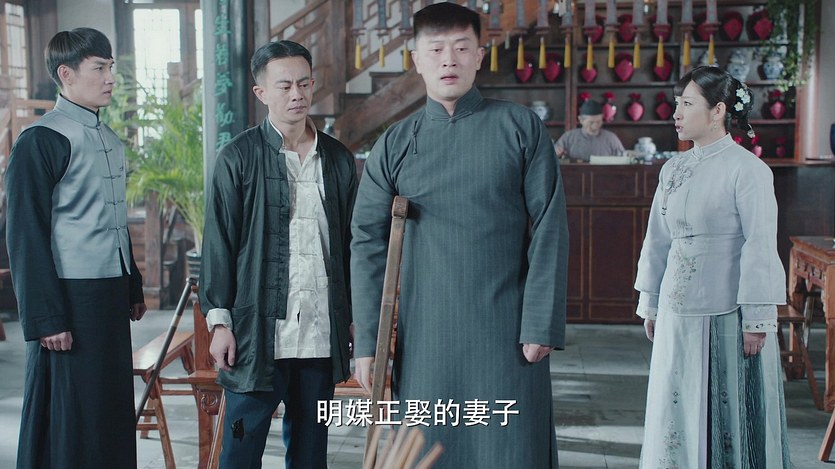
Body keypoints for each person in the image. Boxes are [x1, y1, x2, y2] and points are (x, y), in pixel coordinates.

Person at [351, 3, 568, 468]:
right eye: (436, 50)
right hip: (426, 335)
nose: (448, 60)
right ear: (417, 60)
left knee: (510, 451)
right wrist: (369, 342)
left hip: (507, 331)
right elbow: (367, 241)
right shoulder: (395, 143)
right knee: (429, 452)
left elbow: (549, 225)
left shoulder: (520, 128)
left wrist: (541, 323)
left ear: (479, 56)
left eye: (461, 48)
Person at [199, 40, 357, 468]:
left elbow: (350, 245)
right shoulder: (238, 157)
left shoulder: (337, 160)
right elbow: (219, 244)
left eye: (304, 83)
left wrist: (354, 317)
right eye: (284, 85)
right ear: (261, 92)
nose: (297, 94)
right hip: (257, 333)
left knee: (310, 451)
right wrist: (220, 323)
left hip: (320, 333)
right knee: (240, 447)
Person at [634, 65, 790, 467]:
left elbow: (759, 244)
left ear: (718, 110)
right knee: (673, 396)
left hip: (726, 310)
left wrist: (757, 316)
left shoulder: (748, 170)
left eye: (688, 104)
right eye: (677, 104)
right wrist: (651, 302)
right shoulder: (673, 169)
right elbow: (658, 239)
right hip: (676, 307)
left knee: (725, 409)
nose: (677, 113)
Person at [5, 28, 147, 468]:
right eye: (99, 68)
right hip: (68, 298)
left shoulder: (109, 138)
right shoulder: (41, 140)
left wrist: (132, 285)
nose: (110, 78)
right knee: (71, 411)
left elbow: (114, 219)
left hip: (108, 293)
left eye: (111, 67)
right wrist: (46, 317)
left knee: (108, 405)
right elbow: (25, 236)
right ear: (66, 74)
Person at [553, 99, 624, 162]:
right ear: (581, 120)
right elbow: (553, 155)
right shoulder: (569, 137)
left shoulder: (611, 138)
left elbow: (623, 159)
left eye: (598, 122)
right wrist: (557, 153)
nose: (595, 126)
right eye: (591, 122)